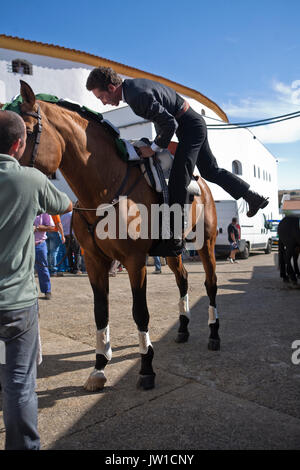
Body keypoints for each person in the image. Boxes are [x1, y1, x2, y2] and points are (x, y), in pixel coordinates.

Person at [86, 67, 269, 255]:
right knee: (210, 171)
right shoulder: (133, 87)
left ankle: (175, 237)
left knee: (178, 179)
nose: (104, 102)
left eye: (102, 97)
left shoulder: (135, 97)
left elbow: (169, 123)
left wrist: (154, 148)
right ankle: (252, 197)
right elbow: (162, 118)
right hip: (192, 125)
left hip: (189, 127)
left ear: (110, 87)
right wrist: (158, 145)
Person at [0, 109, 72, 450]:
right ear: (17, 145)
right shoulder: (30, 179)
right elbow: (66, 205)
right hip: (16, 306)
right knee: (19, 385)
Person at [34, 214, 55, 299]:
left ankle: (47, 291)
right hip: (25, 245)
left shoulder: (44, 213)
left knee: (43, 268)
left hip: (40, 244)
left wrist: (37, 228)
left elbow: (51, 227)